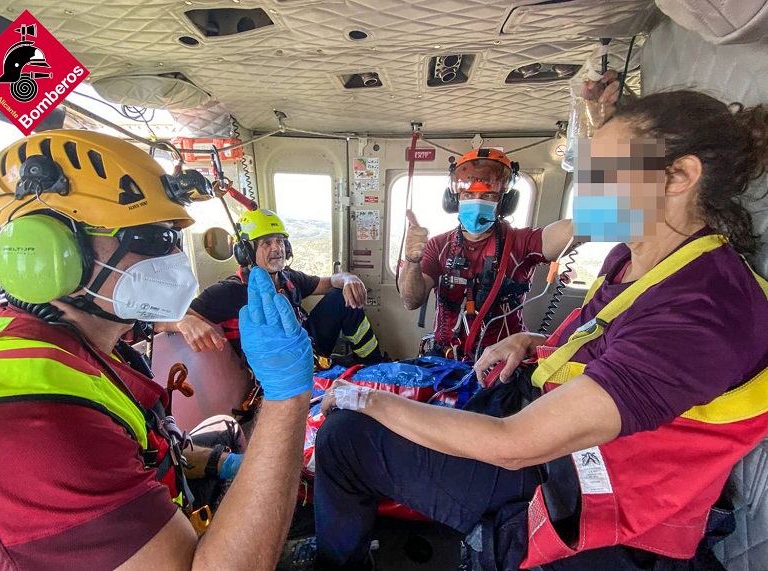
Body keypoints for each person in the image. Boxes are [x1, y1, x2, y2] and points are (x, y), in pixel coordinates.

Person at [312, 91, 768, 570]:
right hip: (544, 422)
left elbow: (515, 444)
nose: (587, 189)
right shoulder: (634, 261)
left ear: (680, 177)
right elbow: (603, 345)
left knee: (345, 437)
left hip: (578, 482)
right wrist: (532, 342)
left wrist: (367, 399)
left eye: (604, 170)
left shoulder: (705, 308)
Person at [0, 130, 314, 570]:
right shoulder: (32, 427)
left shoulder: (78, 340)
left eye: (172, 241)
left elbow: (138, 449)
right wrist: (287, 398)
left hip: (159, 511)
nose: (173, 262)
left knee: (227, 430)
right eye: (150, 240)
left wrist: (220, 463)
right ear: (53, 250)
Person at [400, 72, 622, 361]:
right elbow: (410, 300)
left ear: (505, 202)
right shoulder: (438, 245)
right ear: (455, 200)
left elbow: (598, 217)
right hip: (446, 359)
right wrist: (412, 261)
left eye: (488, 196)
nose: (477, 202)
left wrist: (605, 125)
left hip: (504, 362)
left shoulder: (522, 242)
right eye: (468, 196)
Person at [167, 208, 384, 365]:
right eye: (266, 243)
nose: (277, 248)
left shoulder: (288, 278)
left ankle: (374, 364)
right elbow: (163, 320)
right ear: (246, 252)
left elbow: (329, 282)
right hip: (279, 365)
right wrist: (183, 322)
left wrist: (348, 279)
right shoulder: (230, 291)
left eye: (280, 241)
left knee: (340, 297)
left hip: (310, 347)